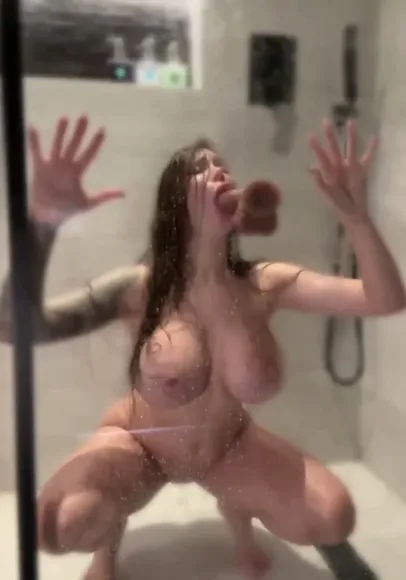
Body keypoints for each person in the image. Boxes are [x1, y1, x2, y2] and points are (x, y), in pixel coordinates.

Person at [1, 114, 404, 580]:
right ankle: (105, 554)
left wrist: (356, 217)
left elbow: (384, 299)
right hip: (141, 446)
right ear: (178, 203)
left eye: (223, 168)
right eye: (202, 169)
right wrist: (42, 224)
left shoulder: (263, 283)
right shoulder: (141, 287)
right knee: (61, 524)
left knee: (333, 516)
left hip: (226, 447)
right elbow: (14, 326)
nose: (220, 173)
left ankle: (246, 520)